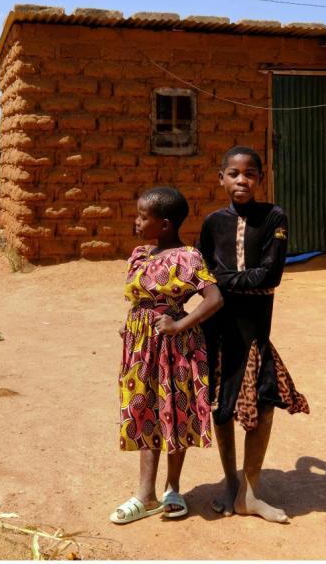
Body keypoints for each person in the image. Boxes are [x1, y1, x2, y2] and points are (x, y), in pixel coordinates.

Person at [198, 145, 310, 524]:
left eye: (249, 173)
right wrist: (225, 283)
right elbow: (203, 276)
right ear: (221, 178)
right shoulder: (213, 223)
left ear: (260, 179)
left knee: (262, 406)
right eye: (233, 173)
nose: (241, 180)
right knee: (221, 407)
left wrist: (224, 280)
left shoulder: (274, 217)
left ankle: (251, 488)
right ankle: (231, 484)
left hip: (255, 334)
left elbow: (271, 276)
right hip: (218, 331)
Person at [111, 186, 224, 524]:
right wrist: (131, 326)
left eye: (142, 217)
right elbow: (140, 300)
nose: (136, 222)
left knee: (174, 410)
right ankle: (145, 495)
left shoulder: (188, 257)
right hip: (140, 345)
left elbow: (214, 298)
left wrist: (179, 324)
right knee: (144, 410)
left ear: (164, 224)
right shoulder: (140, 254)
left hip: (176, 346)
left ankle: (173, 489)